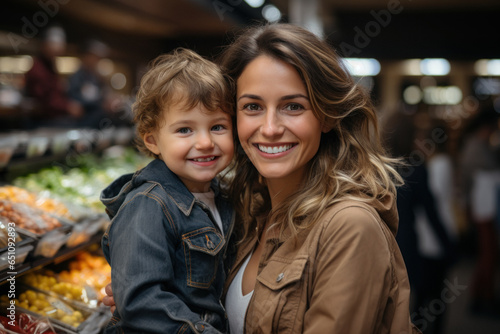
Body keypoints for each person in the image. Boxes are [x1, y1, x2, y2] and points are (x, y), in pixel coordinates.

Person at [104, 23, 420, 333]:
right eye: (253, 106)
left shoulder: (350, 227)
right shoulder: (245, 211)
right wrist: (147, 294)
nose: (269, 128)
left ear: (325, 116)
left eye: (293, 106)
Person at [100, 48, 235, 333]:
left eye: (218, 126)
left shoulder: (223, 196)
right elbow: (141, 301)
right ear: (152, 140)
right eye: (185, 130)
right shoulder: (148, 205)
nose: (205, 142)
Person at [24, 26, 83, 127]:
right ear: (44, 45)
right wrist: (67, 107)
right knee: (75, 125)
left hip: (53, 118)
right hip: (40, 121)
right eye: (53, 45)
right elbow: (45, 102)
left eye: (60, 46)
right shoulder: (37, 68)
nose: (58, 49)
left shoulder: (51, 66)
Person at [67, 39, 111, 128]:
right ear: (87, 56)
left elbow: (101, 94)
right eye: (94, 57)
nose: (96, 61)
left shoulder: (95, 77)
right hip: (82, 120)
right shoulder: (77, 76)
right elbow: (74, 101)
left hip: (96, 117)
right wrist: (100, 103)